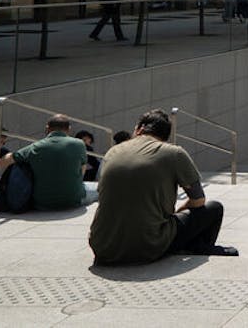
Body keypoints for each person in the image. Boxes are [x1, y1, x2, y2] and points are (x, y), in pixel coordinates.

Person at [89, 108, 238, 263]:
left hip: (102, 246)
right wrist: (177, 214)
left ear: (139, 129)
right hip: (148, 246)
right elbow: (198, 200)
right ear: (165, 136)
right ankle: (197, 247)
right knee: (214, 208)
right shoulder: (174, 153)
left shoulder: (112, 152)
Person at [0, 114, 95, 209]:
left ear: (47, 128)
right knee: (100, 188)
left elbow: (4, 162)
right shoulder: (79, 144)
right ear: (69, 129)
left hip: (42, 202)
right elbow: (82, 169)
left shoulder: (36, 146)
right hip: (73, 199)